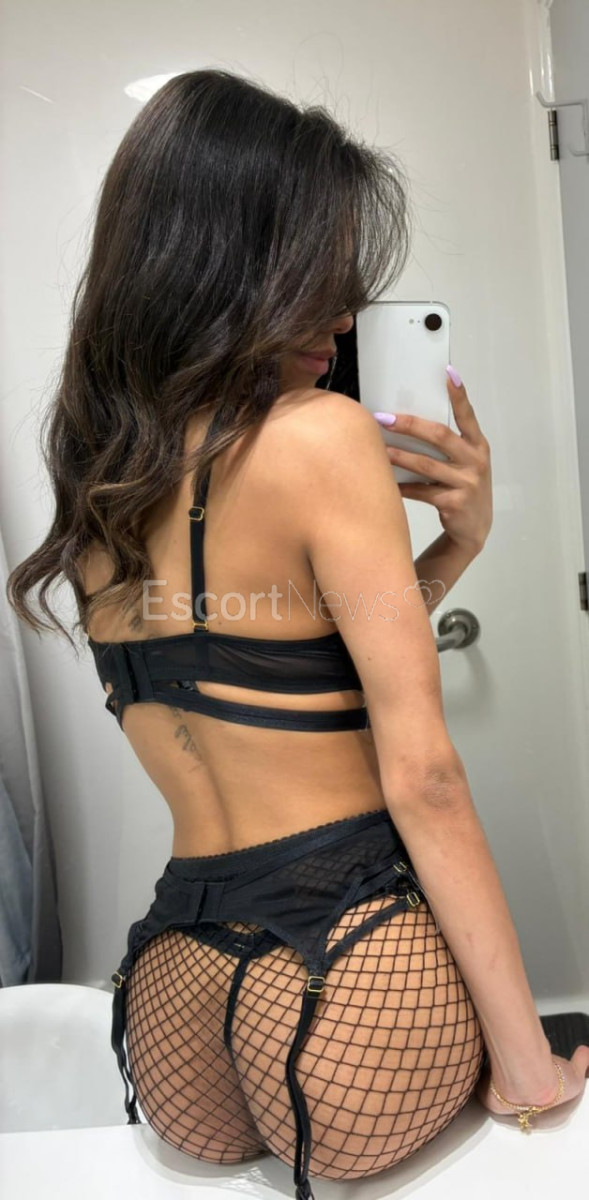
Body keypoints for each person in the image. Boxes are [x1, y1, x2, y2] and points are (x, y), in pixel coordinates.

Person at [7, 67, 588, 1200]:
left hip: (176, 992)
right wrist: (526, 1065)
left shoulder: (102, 479)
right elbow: (421, 777)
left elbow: (280, 674)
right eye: (319, 277)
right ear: (235, 266)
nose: (340, 317)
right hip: (346, 971)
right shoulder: (321, 436)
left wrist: (451, 552)